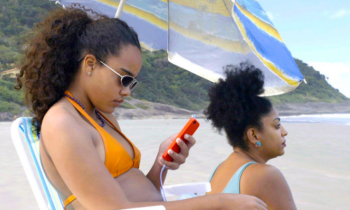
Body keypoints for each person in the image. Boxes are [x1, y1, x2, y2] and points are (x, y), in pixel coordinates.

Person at [16, 6, 267, 210]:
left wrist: (161, 163)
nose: (127, 91)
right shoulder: (63, 123)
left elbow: (139, 195)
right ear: (90, 64)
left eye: (132, 83)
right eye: (124, 79)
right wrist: (218, 202)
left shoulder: (100, 117)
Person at [205, 62, 297, 210]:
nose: (284, 132)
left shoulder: (220, 169)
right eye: (277, 126)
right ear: (253, 135)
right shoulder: (267, 175)